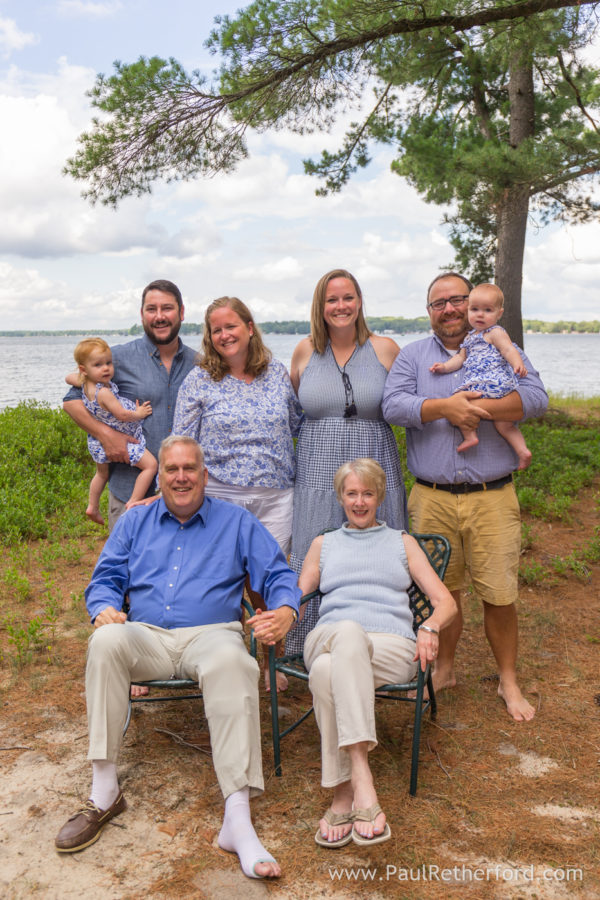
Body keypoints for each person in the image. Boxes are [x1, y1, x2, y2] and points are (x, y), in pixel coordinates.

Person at [54, 436, 301, 880]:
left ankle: (238, 819)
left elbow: (278, 573)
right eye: (171, 469)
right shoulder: (135, 521)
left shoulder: (237, 522)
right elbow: (106, 577)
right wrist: (103, 607)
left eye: (190, 468)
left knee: (234, 663)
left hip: (211, 636)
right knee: (106, 642)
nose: (181, 477)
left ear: (205, 476)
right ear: (160, 476)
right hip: (146, 635)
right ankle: (105, 790)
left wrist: (285, 609)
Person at [382, 272, 548, 722]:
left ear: (475, 303)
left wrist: (474, 409)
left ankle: (508, 680)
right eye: (440, 303)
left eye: (459, 300)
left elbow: (534, 398)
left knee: (499, 592)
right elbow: (393, 405)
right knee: (440, 591)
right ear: (430, 311)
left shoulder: (499, 343)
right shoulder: (414, 357)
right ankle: (445, 669)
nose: (451, 309)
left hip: (492, 495)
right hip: (431, 496)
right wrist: (442, 407)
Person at [299, 459, 456, 848]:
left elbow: (445, 602)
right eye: (351, 493)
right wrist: (279, 613)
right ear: (340, 497)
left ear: (380, 497)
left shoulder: (402, 543)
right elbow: (296, 596)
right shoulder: (324, 543)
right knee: (346, 633)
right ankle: (362, 777)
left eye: (367, 493)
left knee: (324, 672)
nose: (359, 501)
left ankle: (341, 795)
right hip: (330, 634)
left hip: (390, 646)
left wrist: (430, 626)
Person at [171, 296, 303, 691]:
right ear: (210, 337)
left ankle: (271, 662)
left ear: (249, 327)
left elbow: (297, 424)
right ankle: (221, 663)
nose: (225, 334)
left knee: (267, 582)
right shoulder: (199, 379)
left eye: (232, 325)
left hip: (276, 494)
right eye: (216, 329)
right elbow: (182, 440)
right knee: (222, 581)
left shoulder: (277, 373)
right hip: (221, 495)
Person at [286, 269, 408, 654]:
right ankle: (304, 642)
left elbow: (406, 403)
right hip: (317, 464)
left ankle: (384, 637)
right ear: (320, 307)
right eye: (332, 300)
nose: (341, 306)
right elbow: (294, 405)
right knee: (313, 545)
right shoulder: (305, 350)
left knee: (376, 542)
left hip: (373, 457)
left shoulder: (385, 348)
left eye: (348, 298)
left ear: (359, 302)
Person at [63, 280, 196, 530]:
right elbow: (71, 402)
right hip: (128, 493)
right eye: (151, 309)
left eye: (167, 308)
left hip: (185, 497)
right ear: (142, 313)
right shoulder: (115, 359)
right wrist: (105, 434)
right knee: (126, 568)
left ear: (182, 311)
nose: (159, 316)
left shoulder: (199, 364)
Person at [430, 283, 532, 469]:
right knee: (504, 425)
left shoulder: (495, 333)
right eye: (475, 309)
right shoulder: (469, 339)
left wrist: (518, 363)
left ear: (499, 314)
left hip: (492, 382)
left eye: (487, 310)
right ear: (468, 310)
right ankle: (522, 451)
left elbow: (508, 349)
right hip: (483, 386)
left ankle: (471, 436)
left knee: (459, 405)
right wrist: (444, 367)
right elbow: (460, 359)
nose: (480, 314)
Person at [66, 338, 157, 525]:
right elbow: (122, 415)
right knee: (151, 466)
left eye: (108, 363)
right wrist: (139, 413)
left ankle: (92, 506)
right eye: (98, 365)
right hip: (123, 441)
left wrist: (84, 375)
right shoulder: (104, 393)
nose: (106, 368)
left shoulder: (85, 385)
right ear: (84, 369)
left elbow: (68, 377)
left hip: (96, 443)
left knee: (101, 474)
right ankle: (134, 500)